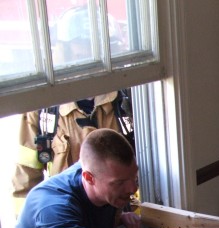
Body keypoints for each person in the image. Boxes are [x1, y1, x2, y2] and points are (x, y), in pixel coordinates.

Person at [7, 128, 216, 228]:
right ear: (88, 177)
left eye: (134, 178)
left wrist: (121, 217)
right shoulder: (52, 204)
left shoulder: (107, 186)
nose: (132, 189)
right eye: (120, 183)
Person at [12, 4, 133, 214]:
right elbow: (25, 184)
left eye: (98, 47)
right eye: (82, 47)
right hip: (67, 219)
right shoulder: (42, 111)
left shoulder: (129, 103)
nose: (90, 56)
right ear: (65, 51)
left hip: (121, 219)